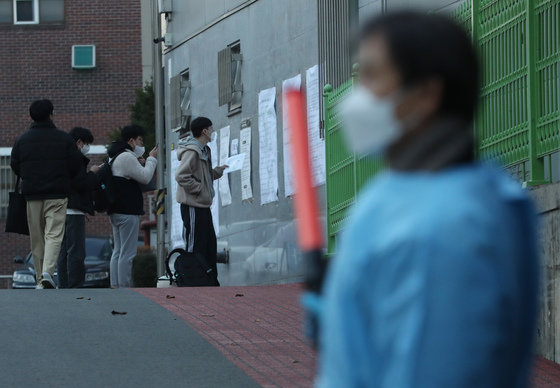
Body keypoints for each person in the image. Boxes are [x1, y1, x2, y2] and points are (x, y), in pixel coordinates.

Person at [317, 12, 539, 387]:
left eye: (371, 76)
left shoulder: (438, 231)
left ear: (426, 94)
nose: (354, 99)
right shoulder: (462, 186)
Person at [10, 99, 82, 289]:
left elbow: (15, 165)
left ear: (31, 116)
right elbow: (76, 165)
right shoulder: (64, 138)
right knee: (54, 234)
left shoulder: (22, 140)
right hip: (57, 194)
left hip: (32, 195)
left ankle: (41, 280)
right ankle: (47, 273)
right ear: (51, 114)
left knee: (37, 237)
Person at [175, 117, 227, 285]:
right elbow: (181, 176)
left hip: (203, 205)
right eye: (211, 128)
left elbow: (202, 175)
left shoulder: (205, 150)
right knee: (195, 245)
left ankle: (209, 281)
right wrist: (199, 189)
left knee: (209, 244)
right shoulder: (193, 151)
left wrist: (217, 172)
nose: (213, 131)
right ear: (204, 131)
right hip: (192, 206)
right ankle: (193, 281)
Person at [107, 125, 157, 288]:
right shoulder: (126, 157)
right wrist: (151, 159)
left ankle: (115, 285)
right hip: (127, 210)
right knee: (127, 253)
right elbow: (145, 176)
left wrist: (141, 162)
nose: (142, 143)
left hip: (116, 210)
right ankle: (125, 287)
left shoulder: (114, 156)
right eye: (140, 140)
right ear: (131, 141)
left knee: (118, 251)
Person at [57, 127, 99, 288]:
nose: (86, 148)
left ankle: (64, 283)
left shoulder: (60, 157)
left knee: (63, 251)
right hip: (74, 210)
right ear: (79, 142)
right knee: (76, 250)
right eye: (86, 144)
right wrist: (93, 173)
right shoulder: (75, 158)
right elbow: (81, 184)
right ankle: (75, 284)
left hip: (60, 208)